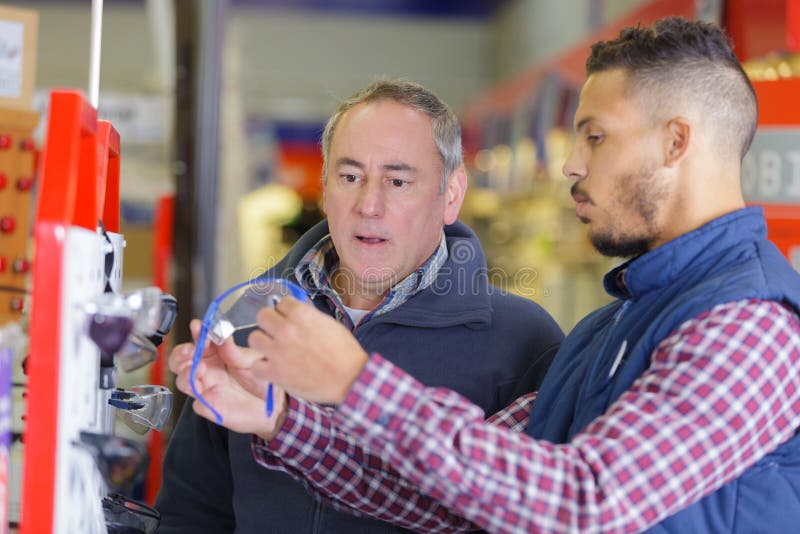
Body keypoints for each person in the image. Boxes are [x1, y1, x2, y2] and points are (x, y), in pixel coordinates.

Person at [171, 17, 800, 533]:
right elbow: (452, 499)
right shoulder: (608, 329)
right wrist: (281, 423)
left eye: (596, 138)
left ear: (675, 143)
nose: (571, 166)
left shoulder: (750, 328)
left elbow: (588, 502)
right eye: (351, 175)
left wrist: (357, 382)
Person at [156, 78, 564, 533]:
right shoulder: (249, 316)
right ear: (326, 186)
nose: (370, 204)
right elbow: (192, 509)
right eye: (351, 178)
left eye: (398, 180)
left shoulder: (525, 342)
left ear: (451, 195)